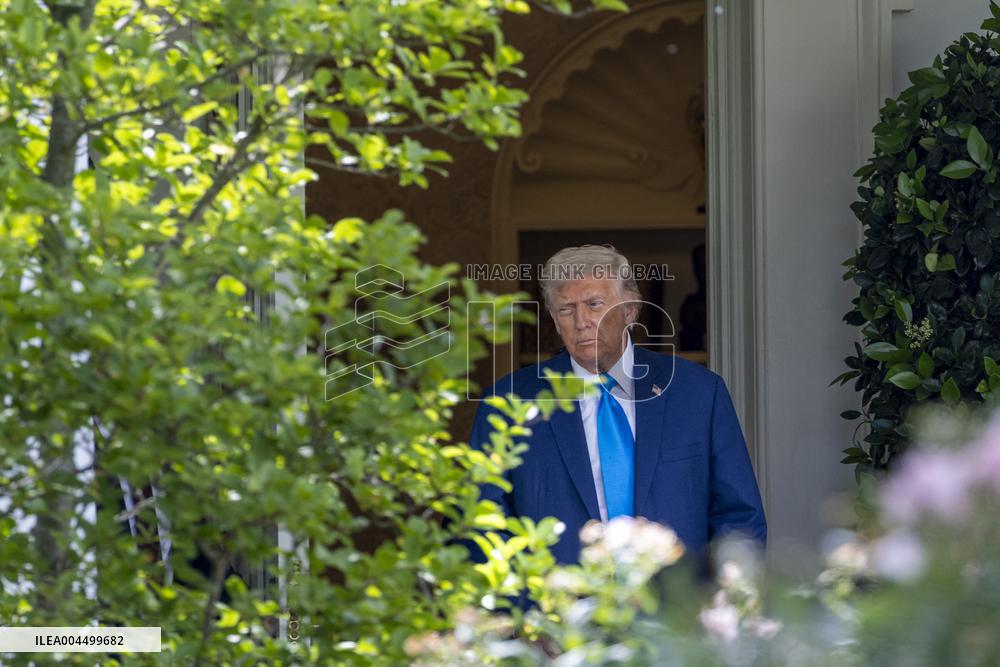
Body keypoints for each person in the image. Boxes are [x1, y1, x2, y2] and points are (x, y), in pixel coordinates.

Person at [468, 245, 766, 566]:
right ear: (554, 320)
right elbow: (481, 526)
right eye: (566, 310)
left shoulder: (697, 394)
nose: (581, 321)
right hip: (555, 610)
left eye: (595, 304)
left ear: (630, 310)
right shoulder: (509, 402)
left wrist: (715, 606)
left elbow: (738, 518)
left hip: (675, 610)